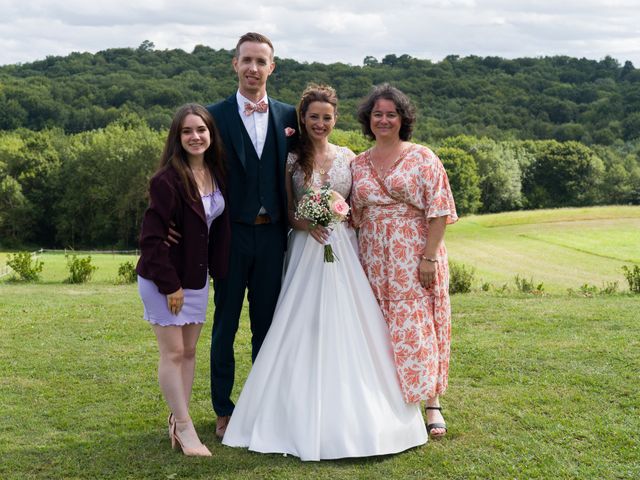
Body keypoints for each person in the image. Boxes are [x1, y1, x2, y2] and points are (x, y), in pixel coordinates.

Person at [221, 84, 428, 461]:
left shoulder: (349, 158)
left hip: (344, 250)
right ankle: (284, 407)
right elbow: (286, 210)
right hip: (305, 250)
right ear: (303, 119)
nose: (320, 123)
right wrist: (307, 223)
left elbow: (355, 202)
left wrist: (338, 216)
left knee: (351, 325)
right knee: (301, 323)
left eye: (327, 117)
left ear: (336, 119)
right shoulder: (290, 158)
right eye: (313, 117)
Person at [350, 84, 458, 439]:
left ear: (402, 119)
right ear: (369, 119)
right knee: (379, 327)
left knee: (417, 327)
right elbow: (353, 215)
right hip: (373, 261)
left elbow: (439, 211)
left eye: (391, 114)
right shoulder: (358, 163)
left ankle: (431, 402)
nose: (383, 120)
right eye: (377, 114)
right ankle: (390, 400)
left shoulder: (423, 157)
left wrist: (428, 257)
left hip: (414, 258)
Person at [206, 32, 298, 440]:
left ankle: (262, 405)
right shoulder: (213, 116)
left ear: (272, 67)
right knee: (225, 325)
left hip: (274, 235)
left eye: (261, 61)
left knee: (268, 325)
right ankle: (223, 409)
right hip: (230, 236)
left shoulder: (289, 116)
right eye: (246, 60)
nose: (253, 68)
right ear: (234, 64)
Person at [136, 103, 230, 456]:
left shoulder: (218, 173)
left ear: (210, 134)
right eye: (187, 131)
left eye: (201, 130)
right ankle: (187, 429)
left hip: (197, 277)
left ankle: (179, 420)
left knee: (189, 352)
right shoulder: (166, 180)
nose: (195, 136)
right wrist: (170, 285)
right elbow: (150, 239)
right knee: (173, 352)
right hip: (166, 279)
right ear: (177, 137)